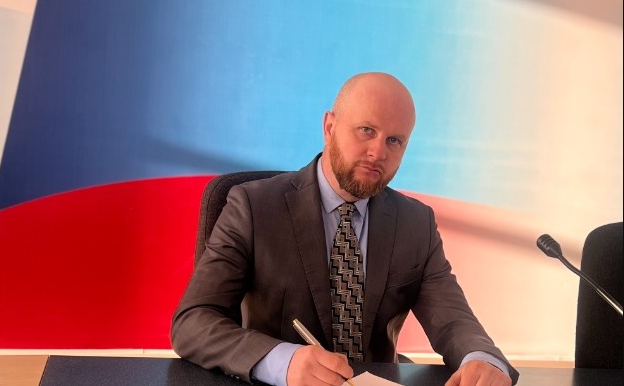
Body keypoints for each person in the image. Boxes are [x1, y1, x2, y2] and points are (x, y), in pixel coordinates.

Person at [171, 72, 519, 386]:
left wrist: (482, 360)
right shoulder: (254, 205)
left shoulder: (416, 223)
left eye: (394, 140)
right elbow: (193, 321)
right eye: (367, 130)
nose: (378, 152)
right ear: (329, 127)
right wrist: (281, 362)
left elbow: (453, 320)